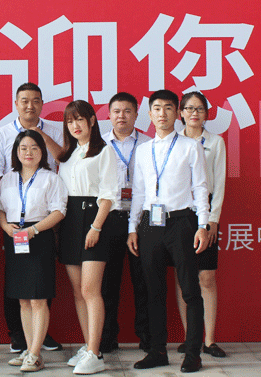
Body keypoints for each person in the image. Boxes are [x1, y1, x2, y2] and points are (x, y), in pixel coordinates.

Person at [127, 90, 211, 374]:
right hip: (150, 224)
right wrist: (133, 228)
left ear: (177, 113)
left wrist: (203, 225)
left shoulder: (190, 146)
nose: (162, 114)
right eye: (156, 108)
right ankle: (157, 351)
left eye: (168, 108)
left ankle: (193, 353)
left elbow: (200, 187)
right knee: (153, 290)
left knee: (190, 290)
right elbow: (139, 192)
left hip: (181, 222)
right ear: (149, 114)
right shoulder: (143, 150)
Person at [0, 82, 63, 353]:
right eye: (24, 100)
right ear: (16, 103)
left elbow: (62, 162)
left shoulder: (54, 133)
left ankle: (38, 342)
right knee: (18, 287)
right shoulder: (3, 135)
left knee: (41, 288)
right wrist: (7, 218)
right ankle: (20, 337)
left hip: (42, 221)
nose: (30, 105)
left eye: (35, 100)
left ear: (42, 103)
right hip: (12, 223)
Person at [57, 100, 119, 375]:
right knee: (78, 291)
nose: (75, 125)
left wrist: (95, 227)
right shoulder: (69, 153)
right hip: (70, 220)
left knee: (90, 290)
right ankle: (89, 346)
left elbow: (108, 195)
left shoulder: (104, 151)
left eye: (80, 119)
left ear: (92, 121)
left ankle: (95, 352)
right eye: (70, 121)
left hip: (95, 219)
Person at [0, 130, 67, 372]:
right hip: (15, 237)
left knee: (38, 299)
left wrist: (34, 230)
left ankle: (36, 354)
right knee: (23, 299)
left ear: (42, 152)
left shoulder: (51, 178)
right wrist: (5, 226)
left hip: (39, 237)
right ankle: (29, 349)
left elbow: (59, 211)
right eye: (23, 148)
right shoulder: (7, 179)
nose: (29, 153)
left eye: (34, 148)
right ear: (16, 152)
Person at [173, 91, 227, 358]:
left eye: (200, 109)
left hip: (206, 214)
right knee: (183, 277)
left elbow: (220, 182)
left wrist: (213, 219)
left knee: (206, 277)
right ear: (180, 113)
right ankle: (189, 336)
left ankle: (209, 340)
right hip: (179, 214)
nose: (194, 113)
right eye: (189, 108)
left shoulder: (215, 142)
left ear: (207, 113)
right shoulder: (173, 141)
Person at [99, 92, 151, 353]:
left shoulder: (149, 144)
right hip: (109, 218)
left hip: (141, 220)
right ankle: (107, 338)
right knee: (108, 283)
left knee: (144, 281)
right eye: (117, 111)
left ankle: (148, 337)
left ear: (137, 114)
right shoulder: (98, 144)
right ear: (109, 115)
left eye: (127, 111)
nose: (122, 116)